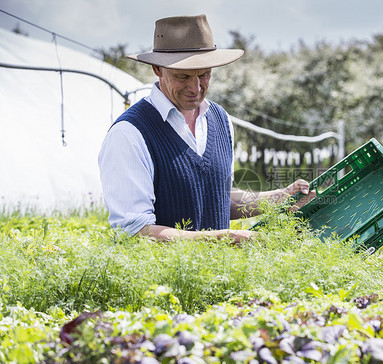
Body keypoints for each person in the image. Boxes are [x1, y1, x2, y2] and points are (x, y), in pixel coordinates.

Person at [98, 14, 314, 243]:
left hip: (219, 276)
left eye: (204, 74)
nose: (196, 87)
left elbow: (220, 198)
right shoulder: (130, 134)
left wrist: (281, 197)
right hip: (160, 278)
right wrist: (224, 239)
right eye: (183, 76)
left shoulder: (219, 119)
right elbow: (135, 232)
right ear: (157, 69)